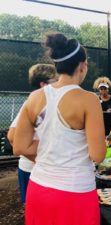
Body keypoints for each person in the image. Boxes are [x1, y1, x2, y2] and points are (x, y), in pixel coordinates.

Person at [13, 32, 106, 225]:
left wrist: (52, 146)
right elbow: (98, 155)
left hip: (38, 188)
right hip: (75, 192)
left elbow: (19, 147)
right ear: (82, 66)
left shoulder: (35, 97)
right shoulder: (89, 100)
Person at [7, 64, 57, 207]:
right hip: (33, 170)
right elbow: (12, 136)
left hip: (43, 169)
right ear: (43, 84)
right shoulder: (33, 102)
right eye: (55, 81)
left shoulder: (50, 102)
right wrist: (39, 161)